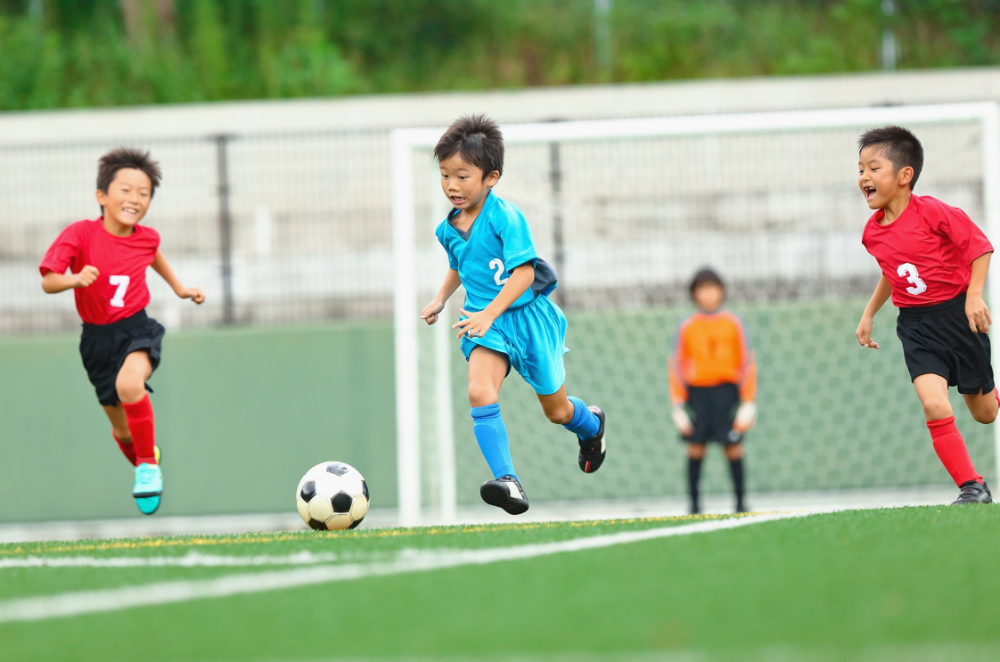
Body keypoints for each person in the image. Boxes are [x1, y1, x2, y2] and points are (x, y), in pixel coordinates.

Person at [420, 114, 606, 515]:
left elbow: (523, 273)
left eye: (463, 176)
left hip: (526, 319)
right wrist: (440, 299)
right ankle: (508, 479)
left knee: (557, 412)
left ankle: (591, 427)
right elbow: (460, 264)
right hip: (483, 324)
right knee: (478, 390)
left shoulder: (506, 216)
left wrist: (490, 311)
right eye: (445, 175)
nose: (452, 185)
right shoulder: (447, 228)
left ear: (491, 177)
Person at [39, 147, 205, 515]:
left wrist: (179, 288)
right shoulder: (80, 234)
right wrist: (74, 279)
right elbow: (48, 282)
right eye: (126, 190)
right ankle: (145, 455)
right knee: (123, 430)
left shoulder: (146, 237)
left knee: (129, 385)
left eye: (144, 193)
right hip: (96, 341)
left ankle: (147, 466)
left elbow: (153, 252)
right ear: (102, 196)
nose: (135, 199)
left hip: (136, 329)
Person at [856, 126, 996, 505]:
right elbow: (894, 271)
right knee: (934, 403)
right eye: (860, 169)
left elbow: (980, 248)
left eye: (873, 168)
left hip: (958, 318)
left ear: (905, 176)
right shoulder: (872, 233)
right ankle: (972, 486)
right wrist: (869, 313)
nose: (864, 177)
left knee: (985, 414)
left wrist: (974, 296)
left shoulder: (933, 211)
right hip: (916, 327)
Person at [669, 268, 757, 514]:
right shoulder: (686, 325)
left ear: (721, 291)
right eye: (702, 289)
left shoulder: (734, 323)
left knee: (733, 446)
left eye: (712, 287)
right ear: (694, 293)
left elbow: (747, 361)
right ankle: (694, 506)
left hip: (727, 394)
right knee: (696, 446)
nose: (708, 294)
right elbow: (676, 365)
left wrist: (748, 402)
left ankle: (741, 503)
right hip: (698, 394)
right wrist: (677, 405)